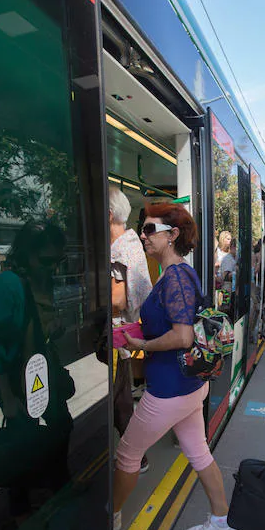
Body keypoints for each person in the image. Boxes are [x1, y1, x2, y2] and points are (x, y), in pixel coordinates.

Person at [114, 203, 240, 530]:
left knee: (127, 454)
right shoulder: (181, 273)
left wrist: (141, 342)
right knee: (198, 451)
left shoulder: (174, 278)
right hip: (188, 387)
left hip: (169, 390)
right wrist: (138, 330)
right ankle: (221, 521)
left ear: (172, 236)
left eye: (149, 230)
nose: (143, 235)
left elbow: (182, 336)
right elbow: (171, 325)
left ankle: (107, 520)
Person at [0, 220, 75, 522]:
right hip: (15, 377)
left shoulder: (42, 279)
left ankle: (58, 486)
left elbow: (37, 323)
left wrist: (53, 329)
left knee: (60, 424)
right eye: (46, 261)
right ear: (26, 254)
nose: (52, 268)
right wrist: (7, 397)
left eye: (57, 261)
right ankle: (20, 507)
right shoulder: (8, 284)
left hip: (39, 369)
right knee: (22, 438)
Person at [110, 187, 153, 472]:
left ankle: (134, 458)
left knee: (119, 399)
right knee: (122, 400)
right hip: (129, 336)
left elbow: (117, 300)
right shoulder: (132, 242)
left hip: (117, 337)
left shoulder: (117, 249)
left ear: (109, 214)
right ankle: (136, 455)